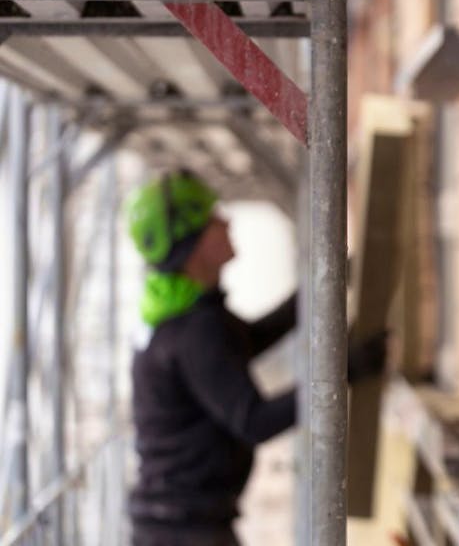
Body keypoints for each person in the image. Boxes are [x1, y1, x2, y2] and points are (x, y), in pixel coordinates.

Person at [125, 170, 384, 546]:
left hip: (174, 527)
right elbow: (253, 420)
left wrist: (327, 282)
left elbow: (246, 341)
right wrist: (344, 371)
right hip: (185, 534)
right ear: (192, 245)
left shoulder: (178, 318)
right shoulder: (194, 332)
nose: (225, 222)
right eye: (212, 220)